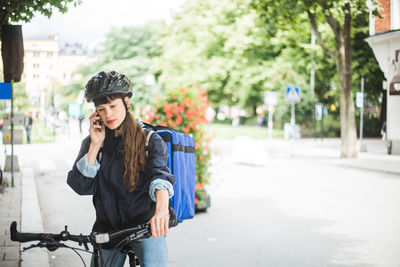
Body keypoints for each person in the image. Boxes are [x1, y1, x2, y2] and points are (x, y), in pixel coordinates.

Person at [67, 71, 175, 267]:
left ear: (127, 102)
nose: (108, 114)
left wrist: (161, 212)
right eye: (101, 108)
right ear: (95, 112)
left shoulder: (149, 140)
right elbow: (80, 186)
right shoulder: (92, 142)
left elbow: (160, 177)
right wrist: (94, 145)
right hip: (107, 229)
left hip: (145, 227)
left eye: (113, 106)